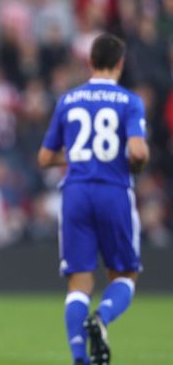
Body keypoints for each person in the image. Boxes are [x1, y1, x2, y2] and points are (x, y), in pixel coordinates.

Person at [38, 34, 149, 365]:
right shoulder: (129, 101)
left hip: (75, 194)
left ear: (90, 62)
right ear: (120, 64)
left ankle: (79, 358)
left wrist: (76, 155)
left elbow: (44, 158)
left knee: (78, 282)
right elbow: (138, 151)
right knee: (125, 275)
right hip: (113, 191)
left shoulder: (68, 100)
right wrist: (136, 162)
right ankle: (101, 318)